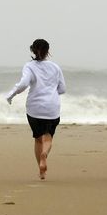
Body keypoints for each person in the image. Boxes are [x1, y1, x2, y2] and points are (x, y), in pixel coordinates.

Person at [6, 39, 66, 179]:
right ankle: (45, 154)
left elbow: (23, 84)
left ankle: (41, 170)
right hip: (52, 108)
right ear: (48, 51)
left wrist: (11, 95)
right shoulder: (55, 67)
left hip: (34, 108)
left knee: (38, 139)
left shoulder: (29, 66)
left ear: (32, 50)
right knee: (48, 138)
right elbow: (62, 89)